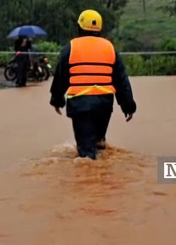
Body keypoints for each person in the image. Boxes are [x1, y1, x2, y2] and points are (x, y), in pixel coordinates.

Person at [49, 10, 137, 160]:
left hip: (80, 104)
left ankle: (90, 179)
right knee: (99, 144)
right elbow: (121, 80)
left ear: (80, 27)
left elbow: (61, 77)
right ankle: (104, 177)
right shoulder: (110, 48)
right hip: (104, 104)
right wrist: (128, 106)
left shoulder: (70, 47)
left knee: (86, 154)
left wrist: (57, 99)